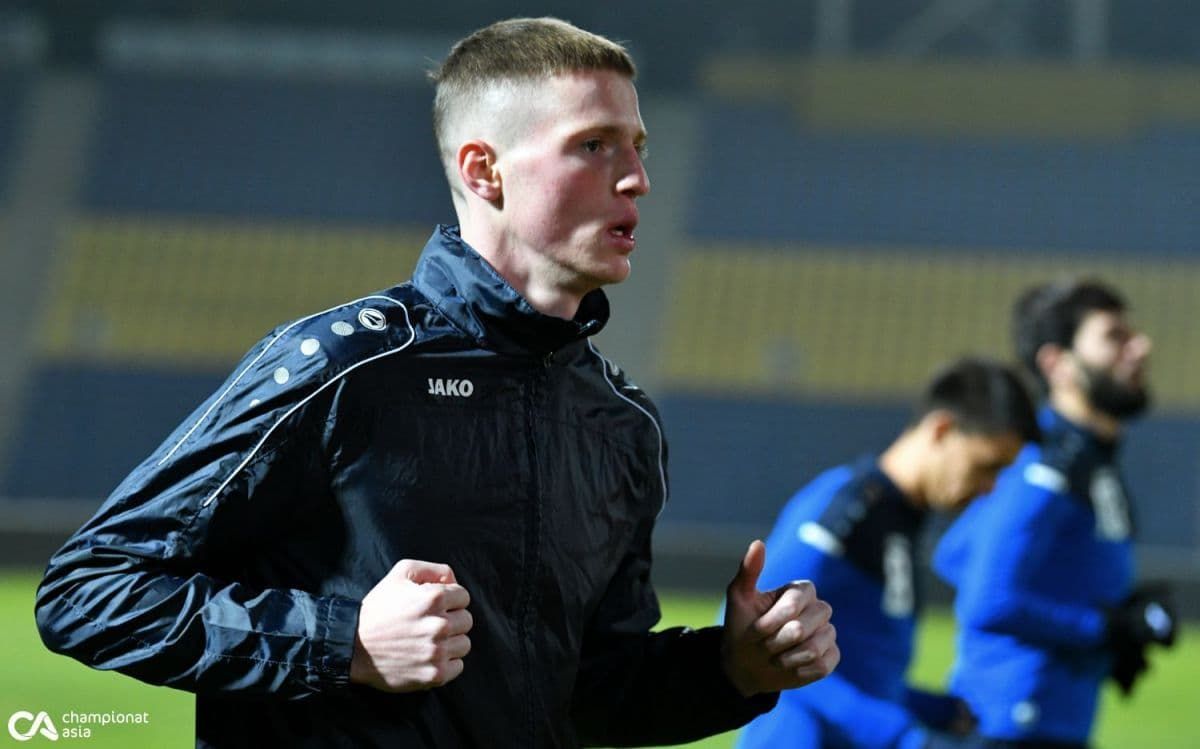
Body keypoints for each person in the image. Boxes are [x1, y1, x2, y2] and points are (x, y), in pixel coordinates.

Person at [34, 17, 840, 748]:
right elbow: (88, 590)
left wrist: (732, 668)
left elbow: (589, 693)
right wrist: (344, 642)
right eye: (595, 145)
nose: (636, 178)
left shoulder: (620, 422)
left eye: (639, 146)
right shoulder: (341, 367)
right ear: (484, 170)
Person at [735, 358, 1039, 749]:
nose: (990, 487)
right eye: (987, 466)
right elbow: (749, 638)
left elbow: (861, 672)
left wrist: (936, 711)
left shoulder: (904, 523)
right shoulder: (846, 507)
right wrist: (905, 736)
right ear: (941, 429)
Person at [933, 279, 1177, 748]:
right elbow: (988, 598)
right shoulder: (1044, 465)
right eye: (1115, 337)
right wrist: (1101, 627)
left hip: (1050, 722)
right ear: (1057, 364)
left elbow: (955, 554)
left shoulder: (1086, 460)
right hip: (1012, 725)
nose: (1140, 347)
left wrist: (1112, 614)